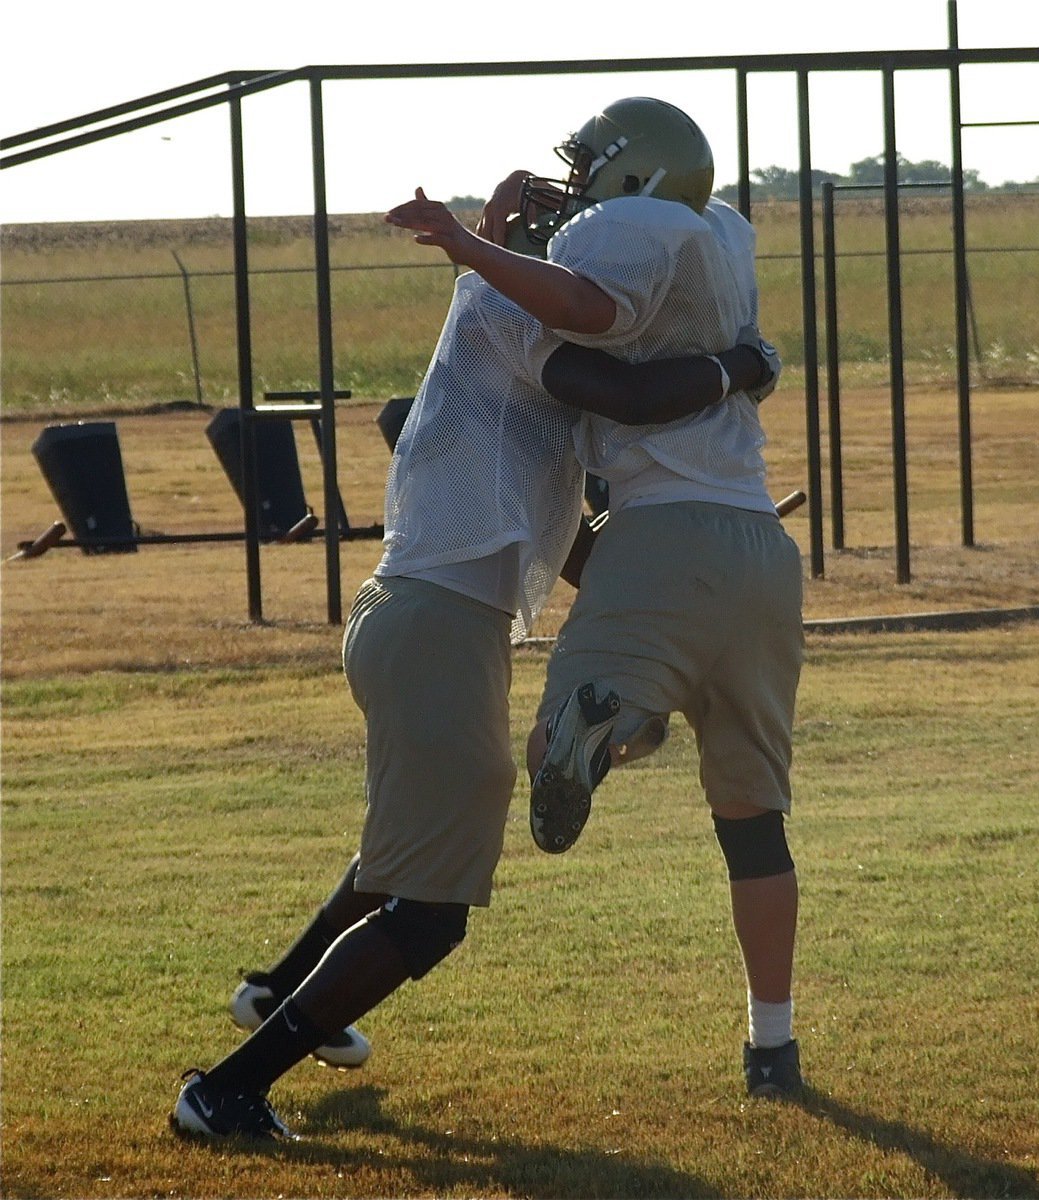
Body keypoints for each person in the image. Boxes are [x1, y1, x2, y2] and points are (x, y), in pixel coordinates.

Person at [169, 141, 782, 1138]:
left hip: (420, 617)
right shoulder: (504, 309)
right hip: (434, 626)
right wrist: (739, 364)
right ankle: (229, 1087)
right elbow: (631, 395)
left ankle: (272, 993)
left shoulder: (502, 320)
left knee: (401, 853)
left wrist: (656, 595)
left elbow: (571, 537)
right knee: (429, 911)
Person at [487, 96, 808, 1100]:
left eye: (589, 173)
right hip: (759, 545)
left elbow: (604, 369)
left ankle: (613, 726)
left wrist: (486, 250)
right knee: (753, 821)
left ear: (631, 179)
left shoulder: (618, 244)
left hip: (655, 532)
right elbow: (711, 354)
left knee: (552, 746)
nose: (573, 194)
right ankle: (772, 1046)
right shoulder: (719, 239)